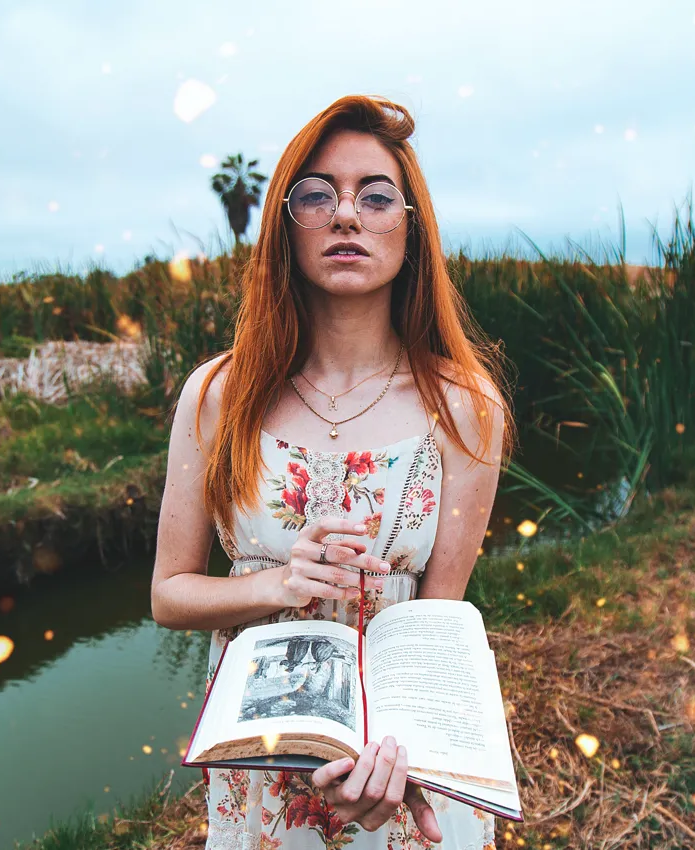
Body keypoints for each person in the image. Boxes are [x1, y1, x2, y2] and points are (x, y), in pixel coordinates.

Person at [151, 94, 515, 849]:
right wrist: (277, 584)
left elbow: (438, 624)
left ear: (411, 228)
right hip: (265, 772)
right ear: (285, 227)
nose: (346, 215)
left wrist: (401, 761)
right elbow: (168, 594)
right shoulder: (218, 395)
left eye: (376, 197)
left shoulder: (466, 406)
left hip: (394, 763)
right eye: (316, 195)